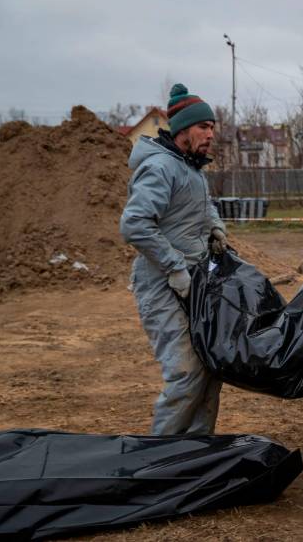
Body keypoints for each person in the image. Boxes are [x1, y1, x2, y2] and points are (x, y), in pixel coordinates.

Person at [120, 83, 229, 435]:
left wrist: (216, 228)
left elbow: (204, 206)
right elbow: (134, 224)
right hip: (161, 285)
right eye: (204, 127)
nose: (211, 134)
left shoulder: (192, 169)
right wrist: (174, 266)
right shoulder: (160, 168)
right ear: (183, 130)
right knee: (186, 373)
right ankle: (157, 465)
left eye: (212, 127)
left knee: (211, 370)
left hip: (192, 283)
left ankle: (194, 459)